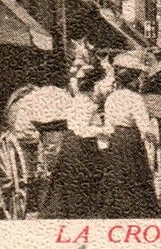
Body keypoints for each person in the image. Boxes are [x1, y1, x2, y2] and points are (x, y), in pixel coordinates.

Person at [100, 51, 161, 219]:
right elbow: (144, 127)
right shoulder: (135, 99)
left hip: (114, 140)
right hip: (131, 140)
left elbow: (108, 123)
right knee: (136, 176)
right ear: (134, 79)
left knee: (117, 176)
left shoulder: (111, 98)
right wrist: (155, 137)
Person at [40, 63, 110, 219]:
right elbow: (82, 130)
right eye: (101, 84)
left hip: (71, 145)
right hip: (80, 147)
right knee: (85, 183)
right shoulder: (87, 104)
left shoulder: (78, 100)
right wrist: (105, 130)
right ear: (94, 86)